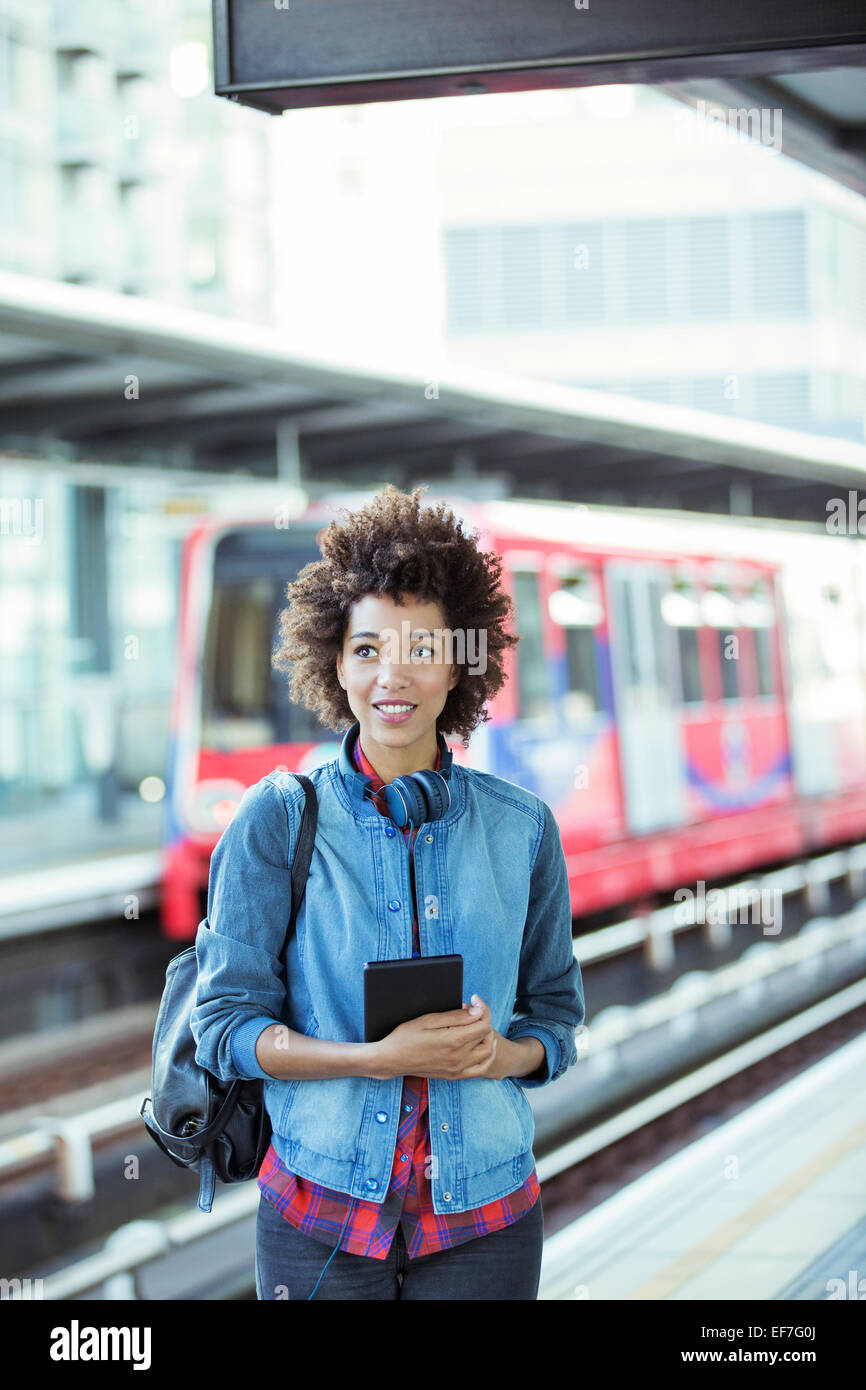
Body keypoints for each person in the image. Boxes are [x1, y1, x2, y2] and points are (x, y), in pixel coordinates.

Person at [190, 484, 585, 1299]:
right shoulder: (275, 819)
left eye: (420, 649)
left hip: (486, 1220)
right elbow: (224, 1027)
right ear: (336, 663)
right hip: (317, 1216)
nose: (390, 676)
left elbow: (556, 1021)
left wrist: (496, 1055)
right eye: (367, 650)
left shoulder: (523, 831)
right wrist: (378, 1060)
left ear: (458, 666)